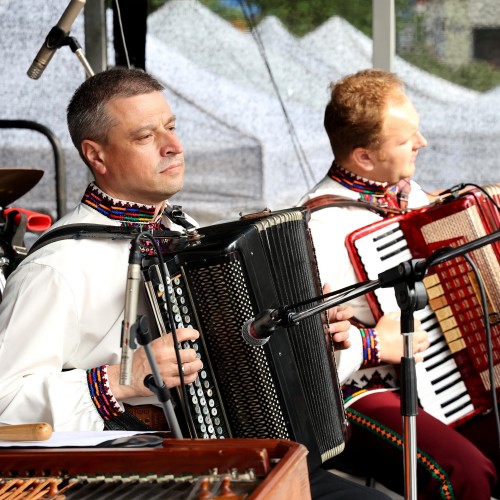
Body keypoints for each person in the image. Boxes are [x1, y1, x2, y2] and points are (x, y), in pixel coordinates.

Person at [0, 67, 390, 500]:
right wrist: (123, 378)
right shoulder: (57, 267)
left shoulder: (186, 231)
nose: (174, 146)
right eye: (146, 136)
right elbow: (5, 403)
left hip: (236, 459)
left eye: (171, 127)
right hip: (143, 479)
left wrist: (306, 335)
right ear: (97, 156)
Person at [298, 68, 499, 499]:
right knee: (460, 473)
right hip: (360, 391)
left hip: (447, 378)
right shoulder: (317, 228)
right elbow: (302, 354)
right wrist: (371, 344)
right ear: (365, 157)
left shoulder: (412, 197)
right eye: (407, 139)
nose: (421, 143)